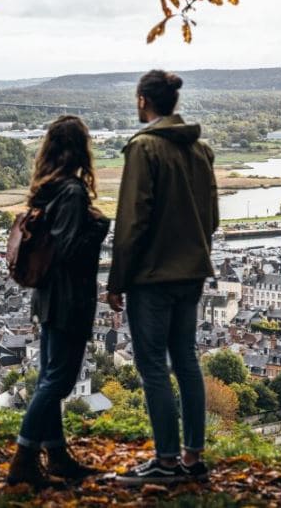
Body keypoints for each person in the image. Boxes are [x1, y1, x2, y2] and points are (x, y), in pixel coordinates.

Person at [107, 70, 219, 486]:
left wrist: (117, 280)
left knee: (153, 365)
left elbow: (132, 221)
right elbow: (213, 218)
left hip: (152, 277)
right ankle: (193, 458)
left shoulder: (145, 149)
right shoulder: (200, 149)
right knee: (186, 359)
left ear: (142, 101)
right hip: (191, 273)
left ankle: (166, 461)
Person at [7, 115, 110, 489]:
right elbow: (68, 251)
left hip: (48, 296)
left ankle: (58, 454)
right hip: (69, 298)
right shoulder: (72, 192)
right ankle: (24, 458)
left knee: (48, 378)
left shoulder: (46, 190)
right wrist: (98, 229)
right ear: (80, 150)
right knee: (58, 381)